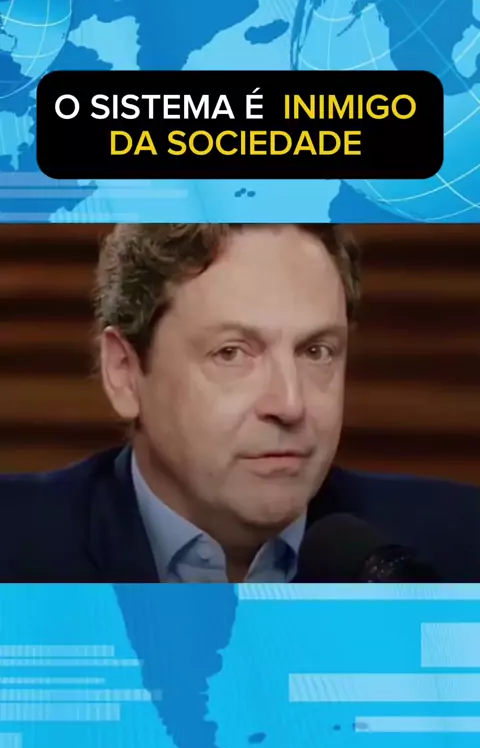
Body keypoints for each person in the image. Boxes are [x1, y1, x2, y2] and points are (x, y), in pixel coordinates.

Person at [0, 223, 478, 582]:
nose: (290, 404)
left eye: (316, 351)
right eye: (231, 353)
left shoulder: (455, 548)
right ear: (124, 372)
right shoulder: (17, 550)